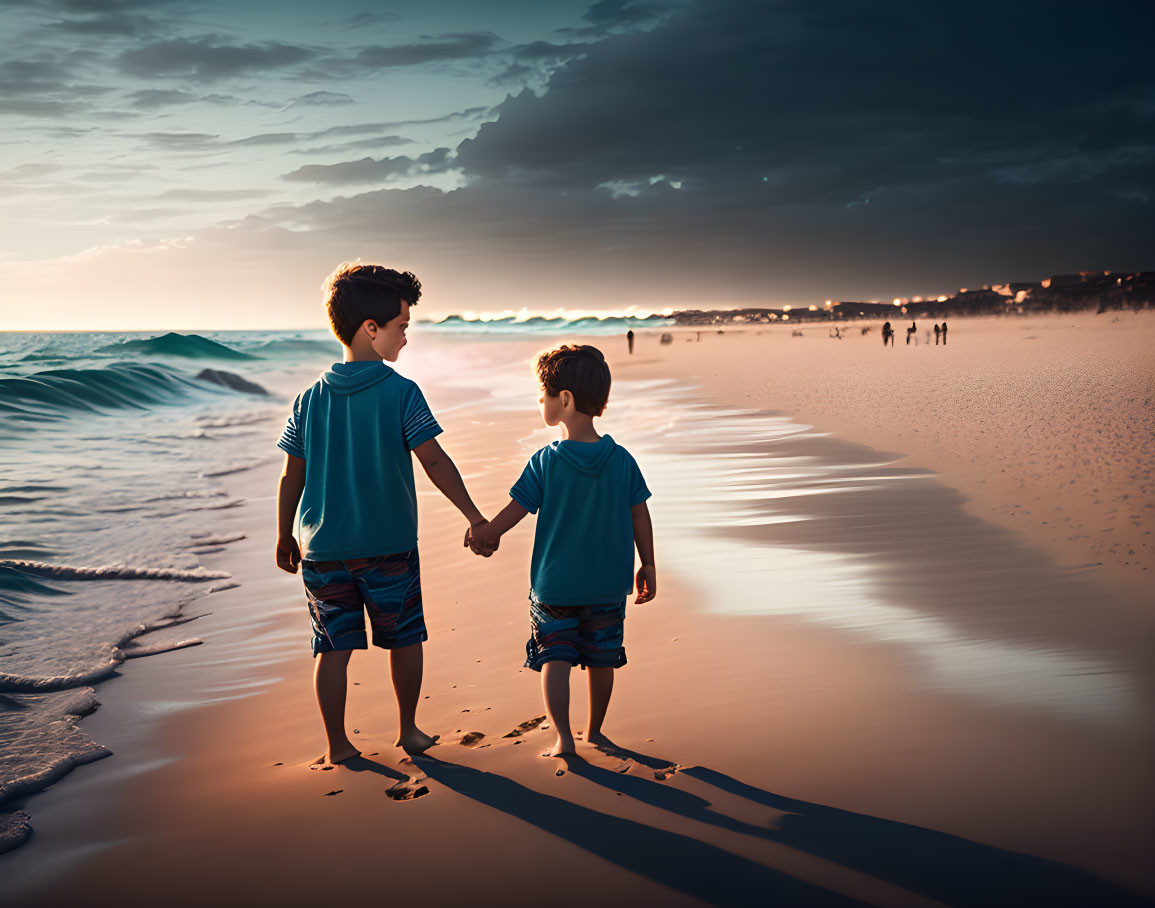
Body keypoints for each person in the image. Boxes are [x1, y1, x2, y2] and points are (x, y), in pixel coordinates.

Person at [275, 262, 490, 768]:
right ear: (371, 329)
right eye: (402, 327)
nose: (405, 339)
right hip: (389, 546)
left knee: (331, 648)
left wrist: (284, 533)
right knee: (405, 638)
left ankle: (338, 744)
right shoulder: (400, 392)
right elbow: (433, 461)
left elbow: (292, 476)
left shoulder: (308, 399)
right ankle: (409, 730)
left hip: (323, 550)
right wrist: (475, 517)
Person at [466, 345, 656, 758]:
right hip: (607, 586)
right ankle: (596, 732)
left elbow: (515, 511)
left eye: (544, 394)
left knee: (555, 659)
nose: (541, 401)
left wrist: (485, 533)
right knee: (603, 660)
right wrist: (649, 564)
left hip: (555, 588)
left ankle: (564, 739)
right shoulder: (622, 460)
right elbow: (640, 515)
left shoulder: (545, 462)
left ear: (565, 399)